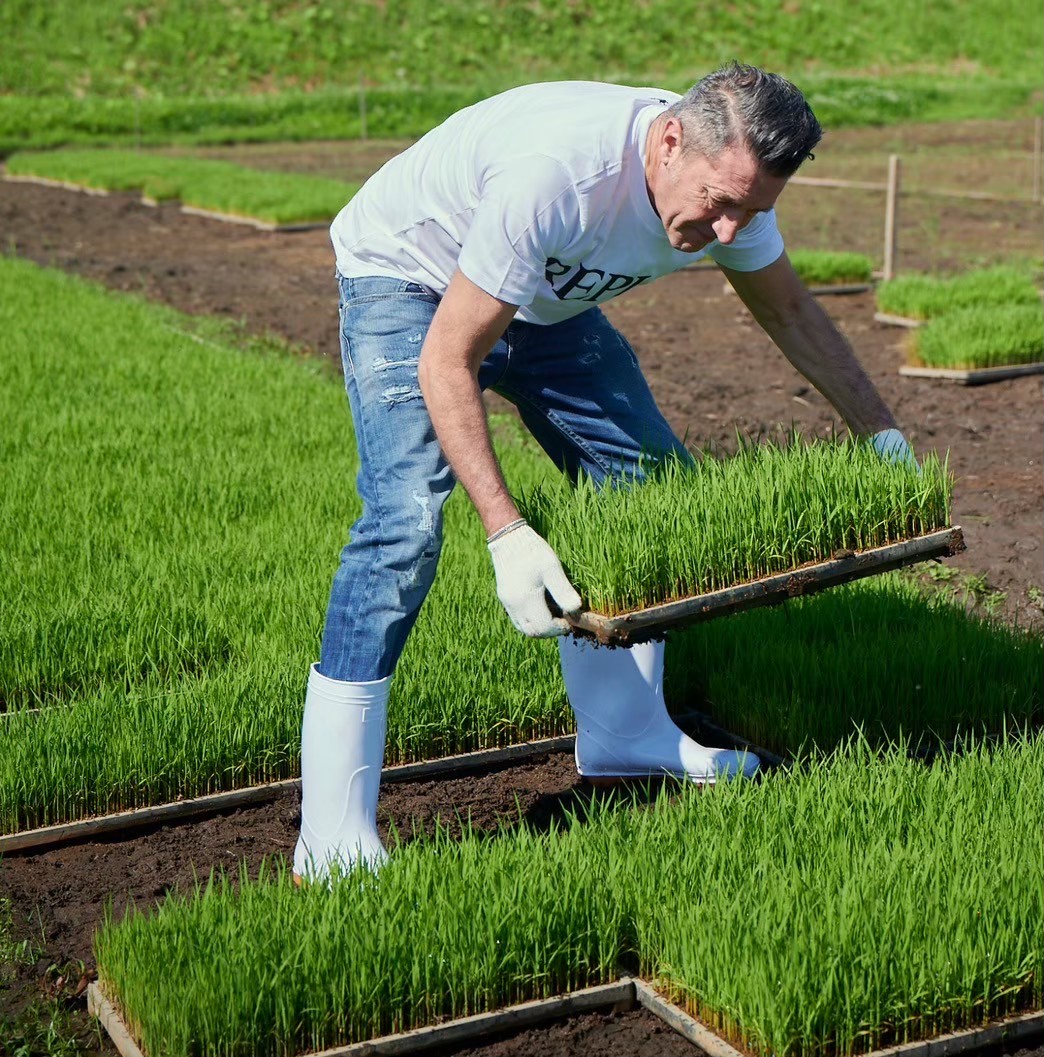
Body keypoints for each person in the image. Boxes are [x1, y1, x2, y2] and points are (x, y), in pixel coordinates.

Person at [293, 63, 914, 879]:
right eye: (721, 202)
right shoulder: (559, 176)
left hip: (543, 293)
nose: (730, 231)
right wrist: (507, 532)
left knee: (651, 492)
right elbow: (449, 355)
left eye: (753, 211)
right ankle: (331, 830)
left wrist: (882, 436)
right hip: (411, 274)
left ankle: (627, 734)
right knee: (404, 524)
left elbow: (789, 308)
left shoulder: (732, 187)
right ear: (668, 140)